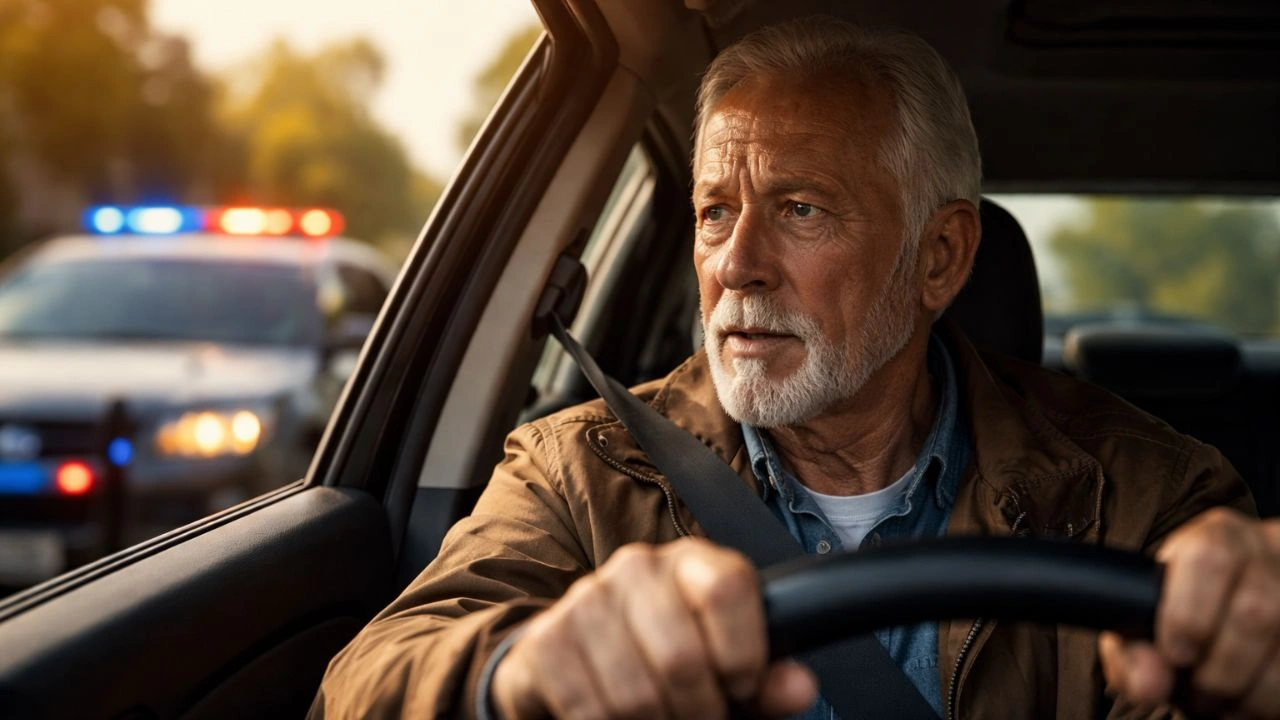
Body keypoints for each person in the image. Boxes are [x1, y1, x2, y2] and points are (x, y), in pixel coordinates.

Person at [312, 17, 1280, 720]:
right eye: (714, 212)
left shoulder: (1142, 496)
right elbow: (364, 683)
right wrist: (516, 672)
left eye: (800, 209)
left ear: (939, 258)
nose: (736, 264)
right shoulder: (581, 471)